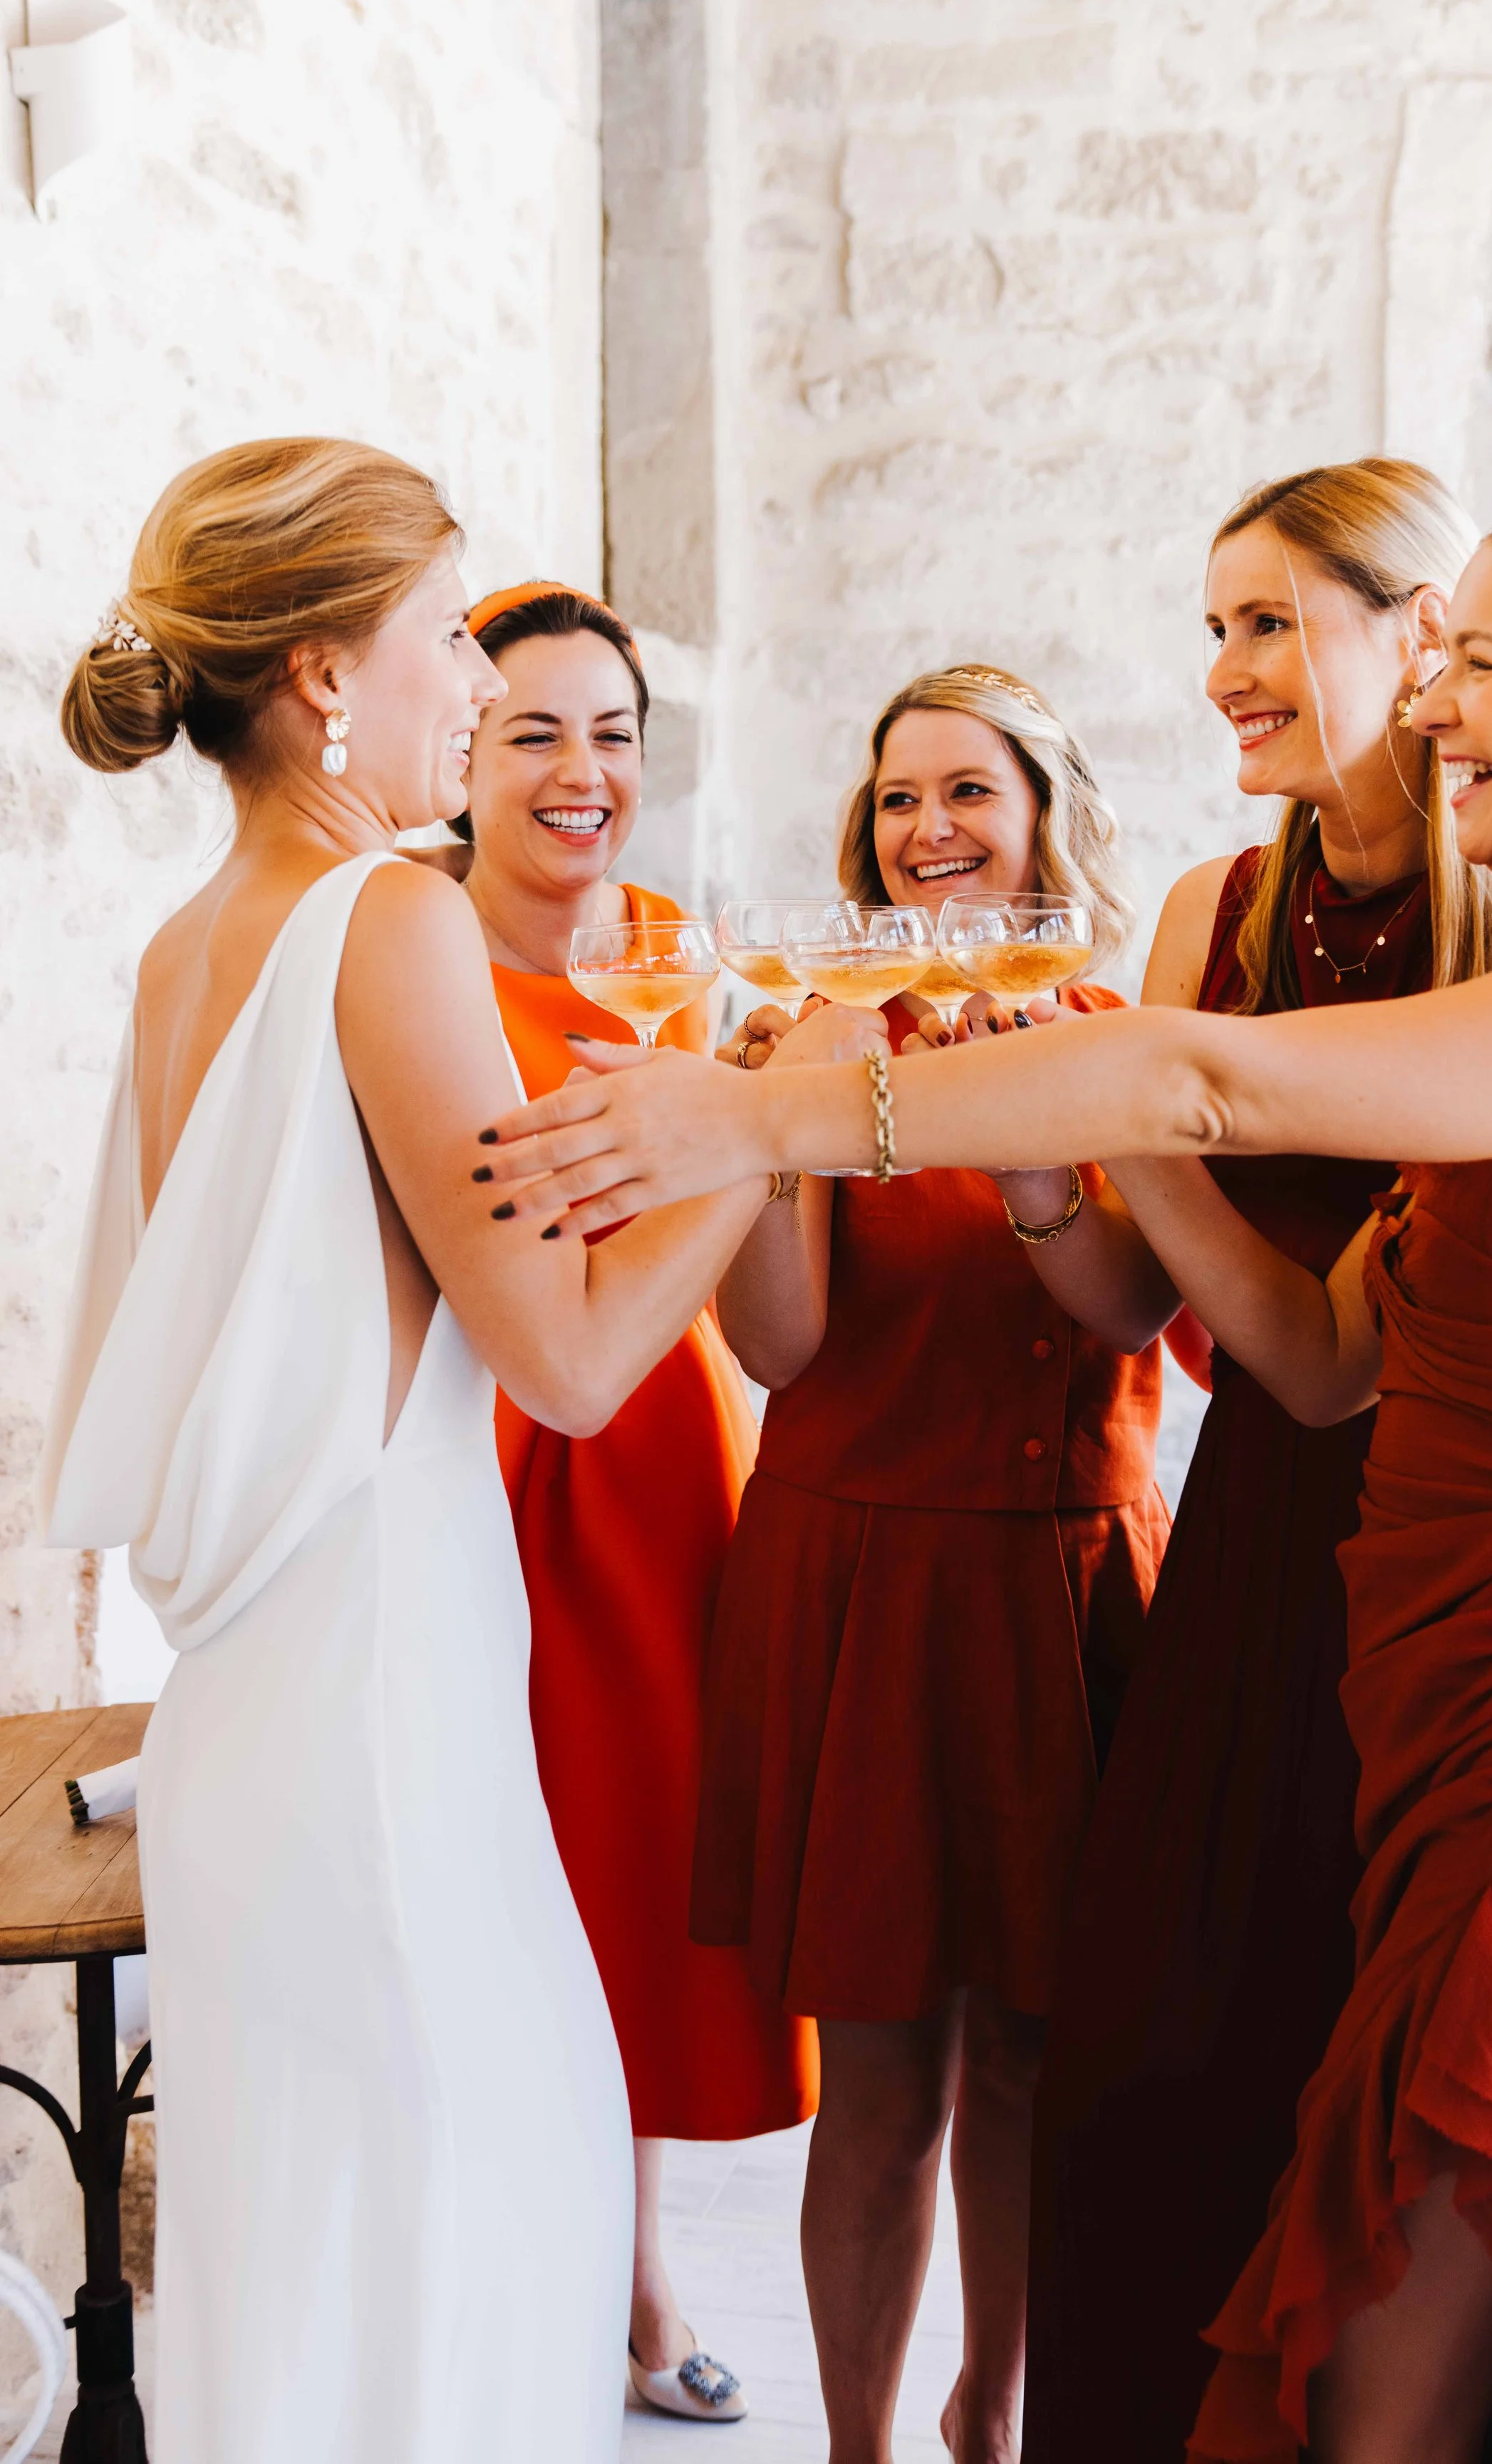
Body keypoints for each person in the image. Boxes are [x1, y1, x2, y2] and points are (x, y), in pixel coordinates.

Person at [483, 478, 1492, 2463]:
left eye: (1480, 663)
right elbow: (1308, 1352)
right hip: (1435, 1749)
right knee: (1345, 2351)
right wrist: (1056, 1150)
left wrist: (763, 1113)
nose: (1435, 707)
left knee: (1398, 2400)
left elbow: (1206, 1074)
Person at [38, 438, 775, 2464]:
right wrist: (759, 1114)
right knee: (473, 2260)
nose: (477, 678)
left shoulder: (190, 940)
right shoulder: (389, 918)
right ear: (321, 678)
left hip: (248, 1726)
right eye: (448, 634)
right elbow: (573, 1357)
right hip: (384, 1725)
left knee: (317, 2289)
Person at [1013, 460, 1492, 2463]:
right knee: (1144, 2055)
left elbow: (1327, 1350)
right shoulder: (1208, 910)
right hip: (1246, 1544)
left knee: (1383, 2076)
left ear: (1422, 636)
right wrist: (1046, 1169)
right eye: (1212, 624)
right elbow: (1128, 1298)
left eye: (1266, 621)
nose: (1221, 668)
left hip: (1449, 1549)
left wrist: (1120, 1107)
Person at [699, 666, 1176, 2464]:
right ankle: (859, 2445)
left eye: (968, 789)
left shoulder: (1119, 1036)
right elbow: (778, 1345)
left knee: (1042, 2054)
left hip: (1067, 1590)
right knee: (883, 2071)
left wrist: (1039, 1142)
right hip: (866, 1594)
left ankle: (995, 2412)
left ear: (1045, 812)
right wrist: (769, 1131)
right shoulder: (823, 1034)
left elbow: (1132, 1308)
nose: (928, 828)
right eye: (897, 797)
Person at [447, 577, 817, 2422]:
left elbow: (755, 1284)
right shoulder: (415, 963)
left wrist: (776, 1129)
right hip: (481, 1453)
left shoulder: (675, 953)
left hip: (660, 1456)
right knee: (490, 1867)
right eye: (534, 731)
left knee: (640, 1872)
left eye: (611, 733)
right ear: (459, 753)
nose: (580, 770)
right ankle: (503, 2269)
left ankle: (636, 2258)